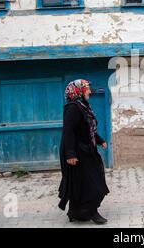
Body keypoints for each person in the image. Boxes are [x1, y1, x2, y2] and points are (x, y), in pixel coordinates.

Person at [58, 79, 110, 224]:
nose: (89, 91)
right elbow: (68, 131)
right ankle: (92, 212)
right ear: (78, 91)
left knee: (82, 182)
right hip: (77, 151)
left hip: (86, 149)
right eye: (86, 88)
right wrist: (70, 154)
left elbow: (87, 128)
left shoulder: (83, 105)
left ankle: (76, 212)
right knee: (92, 183)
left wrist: (99, 140)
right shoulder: (73, 108)